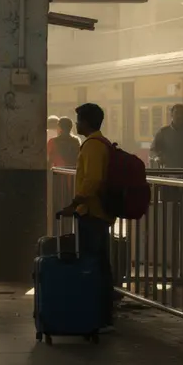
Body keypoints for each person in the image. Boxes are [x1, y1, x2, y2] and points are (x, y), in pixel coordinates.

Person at [56, 103, 115, 331]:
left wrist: (74, 203)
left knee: (93, 265)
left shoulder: (92, 146)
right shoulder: (101, 143)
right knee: (99, 263)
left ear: (87, 122)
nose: (77, 124)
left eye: (79, 120)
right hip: (98, 212)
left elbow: (92, 181)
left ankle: (99, 316)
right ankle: (102, 314)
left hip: (92, 213)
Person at [151, 104, 183, 170]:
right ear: (171, 114)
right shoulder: (163, 132)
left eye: (182, 113)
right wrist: (157, 158)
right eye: (176, 113)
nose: (179, 116)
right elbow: (153, 150)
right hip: (168, 172)